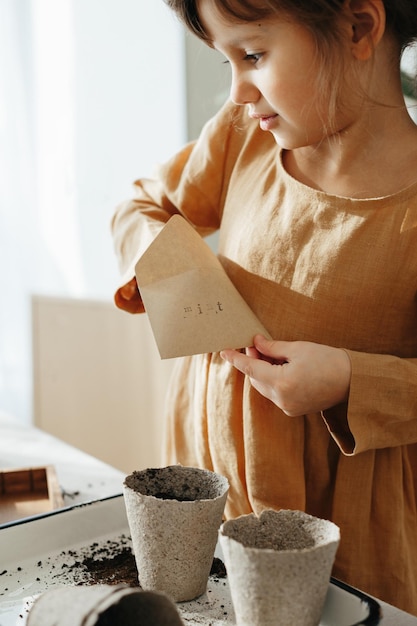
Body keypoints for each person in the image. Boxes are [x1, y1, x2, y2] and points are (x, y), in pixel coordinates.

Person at [111, 0, 417, 614]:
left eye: (252, 55)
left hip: (346, 535)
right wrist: (174, 269)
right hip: (205, 496)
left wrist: (351, 382)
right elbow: (144, 208)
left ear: (359, 27)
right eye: (225, 60)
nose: (237, 91)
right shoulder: (241, 136)